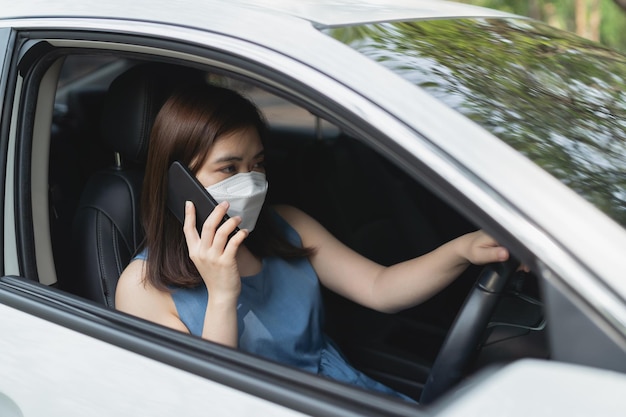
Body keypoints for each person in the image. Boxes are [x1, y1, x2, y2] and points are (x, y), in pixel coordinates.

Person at [115, 83, 511, 401]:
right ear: (178, 181)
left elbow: (381, 287)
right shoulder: (142, 287)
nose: (252, 182)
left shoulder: (286, 223)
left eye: (257, 164)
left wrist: (463, 250)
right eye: (229, 168)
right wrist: (221, 293)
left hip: (341, 393)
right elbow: (214, 401)